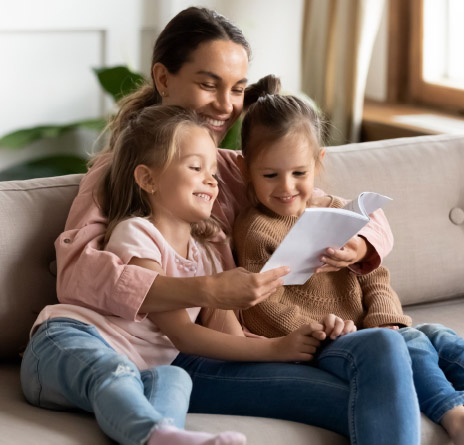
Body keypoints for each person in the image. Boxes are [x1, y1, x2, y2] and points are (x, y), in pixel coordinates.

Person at [20, 6, 421, 445]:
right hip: (171, 351)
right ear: (164, 78)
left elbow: (348, 207)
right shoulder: (118, 173)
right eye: (208, 84)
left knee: (379, 365)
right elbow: (80, 275)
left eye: (237, 89)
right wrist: (210, 290)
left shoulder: (234, 171)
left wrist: (360, 244)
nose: (226, 106)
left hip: (231, 343)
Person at [233, 74, 464, 444]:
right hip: (326, 343)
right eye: (270, 175)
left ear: (318, 162)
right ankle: (453, 413)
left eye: (299, 173)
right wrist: (324, 329)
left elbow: (376, 277)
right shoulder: (255, 229)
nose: (287, 186)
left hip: (370, 333)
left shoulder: (342, 213)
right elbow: (263, 306)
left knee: (435, 336)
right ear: (246, 170)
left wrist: (385, 320)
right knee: (411, 344)